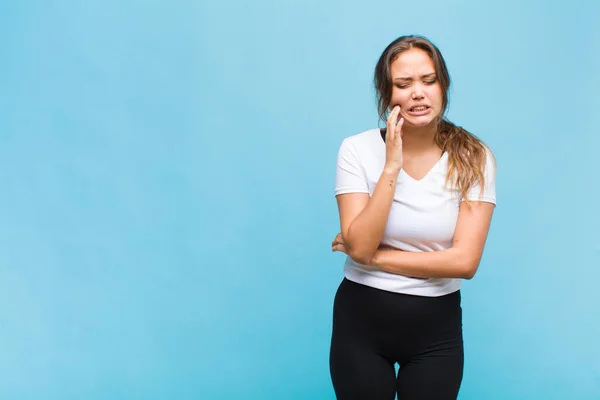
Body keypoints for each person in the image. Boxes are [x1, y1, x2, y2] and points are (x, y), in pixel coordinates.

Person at [329, 35, 496, 400]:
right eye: (404, 84)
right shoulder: (356, 150)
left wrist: (373, 257)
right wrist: (392, 165)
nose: (417, 93)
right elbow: (359, 243)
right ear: (386, 93)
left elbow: (464, 262)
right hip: (361, 323)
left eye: (429, 80)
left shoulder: (475, 156)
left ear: (443, 85)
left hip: (437, 331)